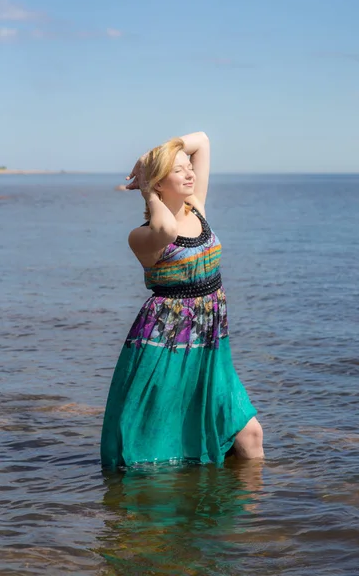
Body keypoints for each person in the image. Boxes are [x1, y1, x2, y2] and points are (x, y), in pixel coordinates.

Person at [100, 132, 264, 469]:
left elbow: (202, 140)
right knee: (161, 443)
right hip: (167, 344)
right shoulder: (142, 236)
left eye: (189, 168)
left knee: (249, 433)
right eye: (179, 170)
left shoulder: (198, 208)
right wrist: (146, 186)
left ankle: (250, 520)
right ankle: (163, 512)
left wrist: (149, 156)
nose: (190, 173)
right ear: (159, 184)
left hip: (210, 341)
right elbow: (166, 231)